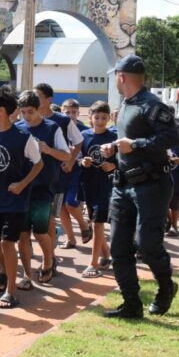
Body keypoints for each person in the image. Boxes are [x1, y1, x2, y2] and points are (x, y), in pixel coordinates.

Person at [100, 54, 179, 318]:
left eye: (116, 76)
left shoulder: (152, 105)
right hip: (123, 184)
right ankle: (131, 304)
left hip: (151, 185)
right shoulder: (126, 104)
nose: (115, 80)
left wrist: (136, 145)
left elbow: (171, 137)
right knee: (119, 247)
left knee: (147, 245)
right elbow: (128, 136)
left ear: (122, 78)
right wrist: (113, 147)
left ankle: (166, 287)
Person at [0, 88, 43, 309]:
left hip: (16, 201)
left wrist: (22, 184)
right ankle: (6, 272)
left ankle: (10, 291)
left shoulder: (24, 137)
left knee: (7, 242)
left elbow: (38, 164)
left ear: (2, 111)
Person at [15, 90, 71, 288]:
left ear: (38, 108)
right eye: (23, 112)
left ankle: (48, 260)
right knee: (22, 234)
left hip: (43, 187)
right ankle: (27, 275)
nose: (26, 117)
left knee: (39, 232)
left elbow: (66, 155)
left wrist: (48, 150)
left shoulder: (52, 128)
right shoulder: (18, 128)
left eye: (30, 112)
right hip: (22, 188)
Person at [34, 84, 85, 254]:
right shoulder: (27, 121)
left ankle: (51, 257)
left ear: (49, 99)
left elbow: (78, 141)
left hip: (55, 177)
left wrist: (69, 161)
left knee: (50, 217)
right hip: (31, 178)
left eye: (38, 96)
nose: (35, 100)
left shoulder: (62, 121)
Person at [78, 101, 117, 277]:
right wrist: (82, 162)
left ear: (109, 118)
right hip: (89, 184)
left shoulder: (113, 138)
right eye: (97, 117)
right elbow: (76, 157)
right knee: (95, 221)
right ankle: (107, 256)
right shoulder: (83, 136)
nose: (100, 121)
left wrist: (113, 166)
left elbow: (122, 161)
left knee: (97, 223)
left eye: (104, 117)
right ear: (90, 118)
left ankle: (93, 263)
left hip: (107, 186)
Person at [57, 98, 91, 248]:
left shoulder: (84, 130)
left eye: (73, 112)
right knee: (62, 206)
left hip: (77, 170)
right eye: (67, 112)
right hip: (61, 169)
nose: (70, 115)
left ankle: (84, 225)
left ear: (78, 113)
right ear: (62, 112)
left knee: (71, 202)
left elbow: (87, 149)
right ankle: (71, 238)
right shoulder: (58, 127)